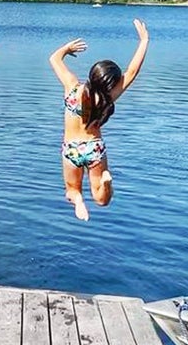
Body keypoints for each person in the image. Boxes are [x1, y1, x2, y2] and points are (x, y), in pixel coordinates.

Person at [49, 19, 149, 221]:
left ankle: (78, 201)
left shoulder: (72, 87)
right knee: (102, 200)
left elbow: (54, 59)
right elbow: (132, 71)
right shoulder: (107, 97)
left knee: (72, 191)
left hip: (71, 148)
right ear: (109, 83)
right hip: (94, 147)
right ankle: (105, 182)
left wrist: (66, 49)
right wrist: (144, 40)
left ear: (93, 74)